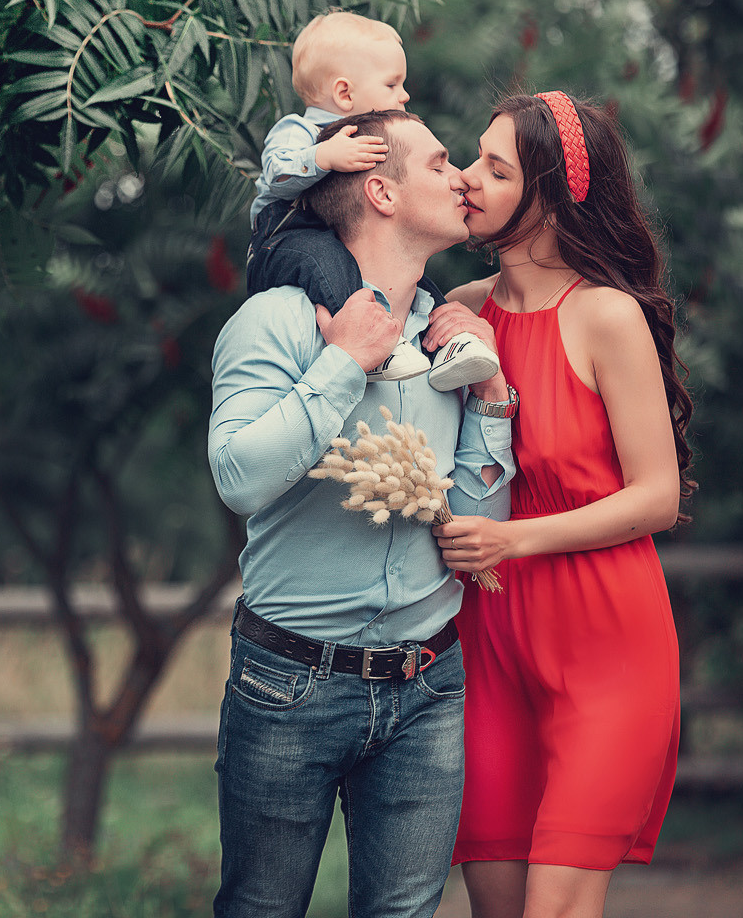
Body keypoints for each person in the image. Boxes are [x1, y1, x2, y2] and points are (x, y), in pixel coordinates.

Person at [208, 108, 517, 918]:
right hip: (290, 684)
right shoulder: (274, 320)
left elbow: (473, 532)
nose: (462, 179)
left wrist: (489, 404)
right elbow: (238, 477)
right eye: (441, 162)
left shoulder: (449, 341)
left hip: (428, 683)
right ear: (379, 190)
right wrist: (345, 361)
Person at [425, 91, 695, 918]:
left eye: (494, 169)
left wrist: (511, 539)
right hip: (491, 653)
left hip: (609, 649)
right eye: (474, 157)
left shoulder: (607, 317)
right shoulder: (461, 315)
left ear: (547, 198)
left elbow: (657, 497)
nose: (466, 178)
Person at [247, 10, 500, 390]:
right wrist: (323, 157)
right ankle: (377, 343)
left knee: (422, 286)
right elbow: (275, 172)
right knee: (325, 262)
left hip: (324, 234)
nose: (404, 95)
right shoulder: (300, 130)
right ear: (345, 93)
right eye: (392, 84)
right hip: (283, 234)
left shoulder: (371, 138)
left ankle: (451, 345)